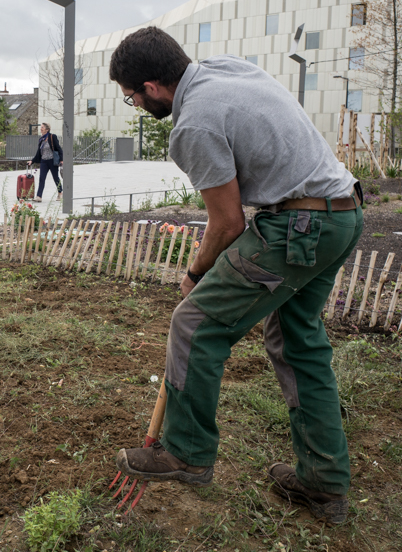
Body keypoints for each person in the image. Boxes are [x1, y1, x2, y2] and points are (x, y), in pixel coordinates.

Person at [110, 26, 362, 525]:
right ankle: (324, 483)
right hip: (343, 214)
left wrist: (194, 273)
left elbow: (228, 222)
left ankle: (185, 453)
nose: (135, 105)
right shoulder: (227, 69)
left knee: (193, 324)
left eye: (132, 97)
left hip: (298, 225)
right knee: (297, 341)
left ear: (153, 87)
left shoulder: (193, 126)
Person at [27, 123, 63, 201]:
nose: (41, 129)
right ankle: (39, 196)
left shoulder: (52, 137)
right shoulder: (41, 139)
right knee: (42, 178)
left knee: (56, 178)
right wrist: (32, 161)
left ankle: (60, 193)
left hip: (52, 161)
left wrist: (61, 160)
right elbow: (38, 152)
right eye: (41, 127)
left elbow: (59, 148)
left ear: (47, 129)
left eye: (42, 127)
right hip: (44, 161)